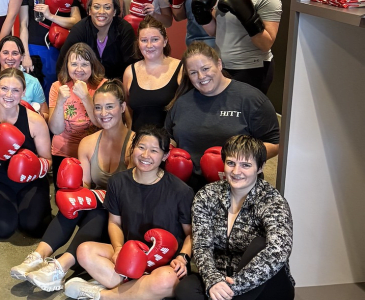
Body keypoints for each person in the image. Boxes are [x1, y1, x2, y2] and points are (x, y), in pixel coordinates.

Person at [11, 80, 134, 292]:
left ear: (122, 107)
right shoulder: (88, 143)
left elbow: (129, 193)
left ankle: (60, 267)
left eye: (110, 106)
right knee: (75, 203)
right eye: (98, 107)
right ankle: (38, 255)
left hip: (123, 214)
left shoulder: (134, 145)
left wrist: (94, 198)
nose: (103, 113)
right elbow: (84, 187)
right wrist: (79, 196)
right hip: (98, 206)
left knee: (100, 211)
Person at [66, 125, 193, 300]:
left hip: (164, 263)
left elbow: (191, 235)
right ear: (133, 148)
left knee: (167, 280)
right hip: (129, 256)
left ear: (165, 156)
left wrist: (182, 257)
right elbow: (114, 222)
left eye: (154, 150)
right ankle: (140, 292)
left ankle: (103, 295)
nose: (145, 155)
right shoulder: (118, 182)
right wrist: (118, 249)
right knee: (84, 251)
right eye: (141, 147)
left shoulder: (181, 190)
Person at [175, 136, 294, 300]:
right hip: (219, 277)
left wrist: (232, 288)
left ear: (260, 167)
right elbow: (202, 245)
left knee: (260, 244)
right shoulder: (207, 195)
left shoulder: (272, 200)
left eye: (246, 165)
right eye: (231, 163)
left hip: (264, 281)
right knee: (185, 291)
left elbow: (279, 250)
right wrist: (213, 280)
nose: (236, 171)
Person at [164, 42, 281, 192]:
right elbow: (169, 138)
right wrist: (170, 156)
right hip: (189, 189)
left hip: (237, 189)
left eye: (205, 68)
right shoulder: (181, 103)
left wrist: (236, 160)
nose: (201, 76)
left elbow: (275, 144)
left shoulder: (251, 99)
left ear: (219, 64)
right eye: (193, 72)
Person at [0, 68, 52, 239]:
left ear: (23, 92)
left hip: (31, 181)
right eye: (4, 88)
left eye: (15, 90)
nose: (9, 95)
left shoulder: (35, 121)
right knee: (2, 228)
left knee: (34, 226)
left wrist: (35, 168)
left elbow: (48, 160)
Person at [19, 0, 82, 100]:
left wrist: (51, 16)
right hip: (33, 49)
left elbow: (76, 22)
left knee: (56, 94)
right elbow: (23, 25)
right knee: (32, 95)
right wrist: (25, 54)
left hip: (58, 50)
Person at [48, 43, 106, 182]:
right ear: (67, 66)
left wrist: (86, 97)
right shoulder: (57, 87)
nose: (79, 69)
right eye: (74, 64)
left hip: (94, 152)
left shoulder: (103, 86)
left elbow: (102, 124)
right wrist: (60, 101)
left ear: (92, 66)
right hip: (63, 152)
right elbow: (56, 129)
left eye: (85, 64)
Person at [58, 0, 138, 81]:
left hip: (116, 87)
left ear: (114, 11)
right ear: (89, 11)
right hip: (84, 85)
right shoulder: (79, 29)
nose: (101, 12)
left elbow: (132, 67)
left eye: (107, 7)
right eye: (96, 7)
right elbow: (62, 64)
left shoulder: (125, 29)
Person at [122, 16, 182, 132]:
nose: (149, 45)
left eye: (155, 39)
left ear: (165, 41)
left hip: (170, 143)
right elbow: (127, 107)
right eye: (144, 40)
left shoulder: (180, 68)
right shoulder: (129, 72)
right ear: (138, 43)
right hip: (138, 143)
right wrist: (130, 132)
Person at [0, 35, 49, 120]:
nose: (10, 58)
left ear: (22, 57)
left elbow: (45, 114)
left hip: (26, 130)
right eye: (5, 53)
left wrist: (35, 115)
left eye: (15, 53)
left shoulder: (33, 82)